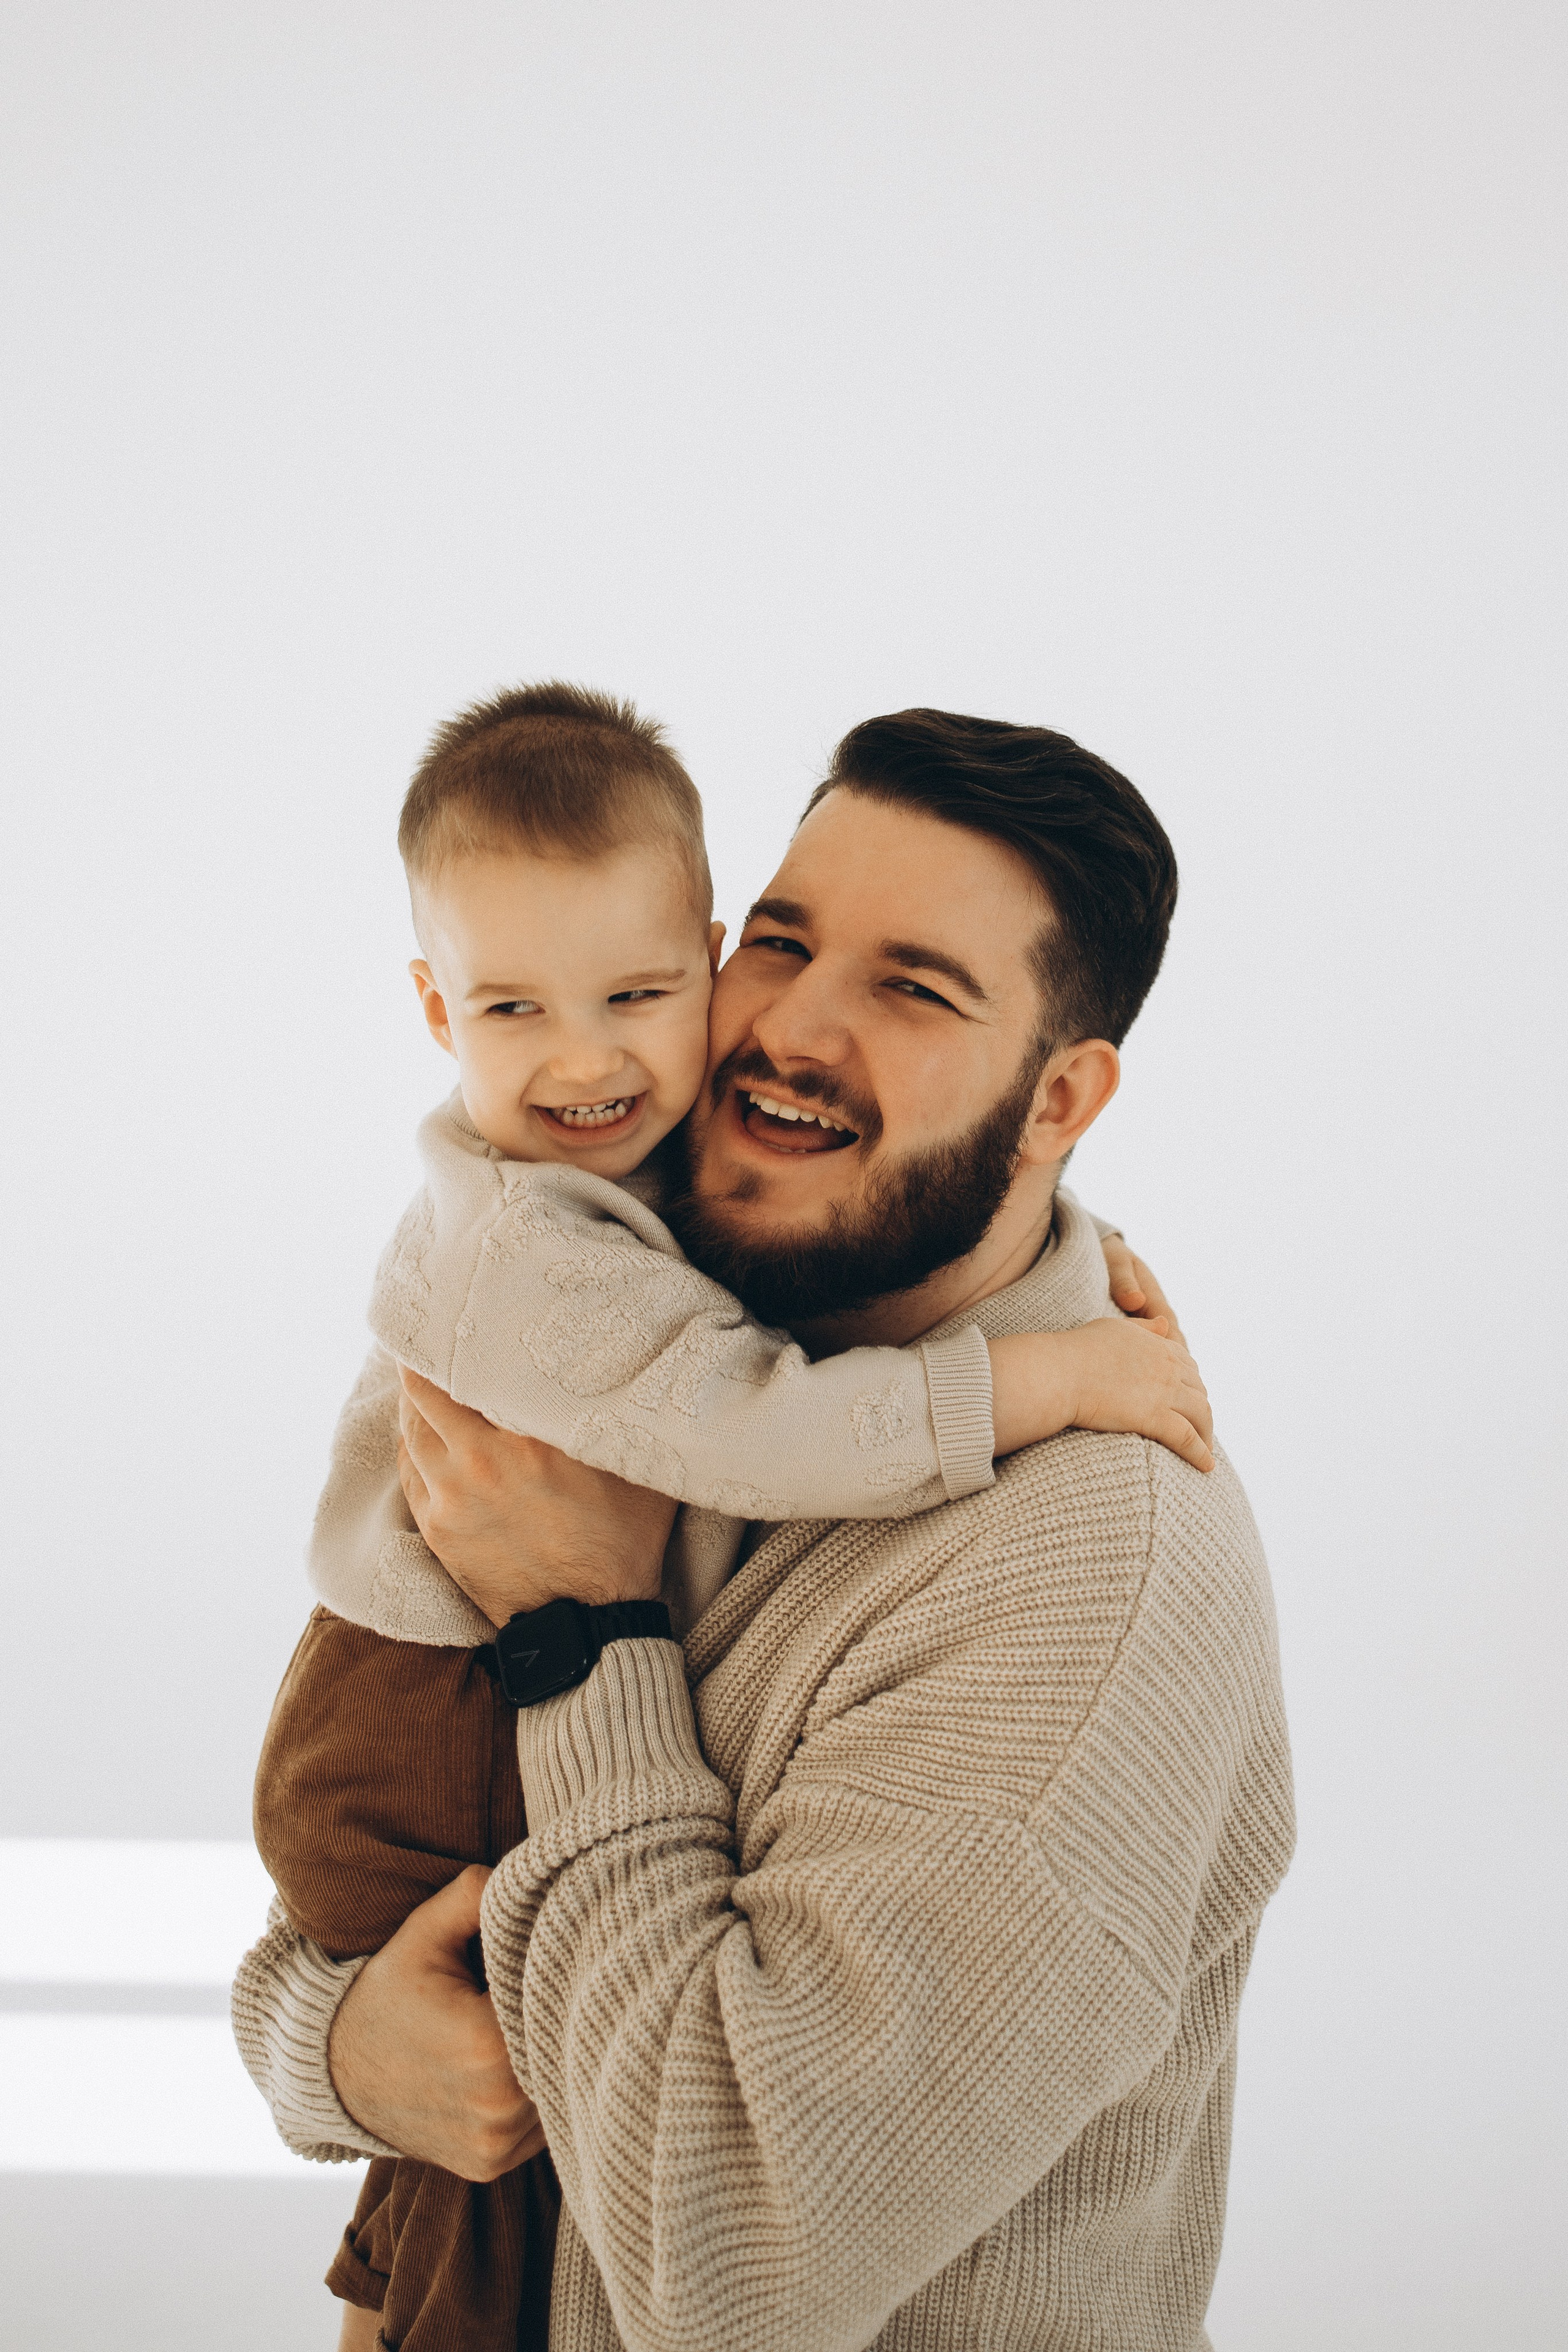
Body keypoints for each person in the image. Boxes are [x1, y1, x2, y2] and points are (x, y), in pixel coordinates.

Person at [237, 705, 1292, 2352]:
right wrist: (333, 2051)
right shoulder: (680, 1312)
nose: (787, 1028)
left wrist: (585, 1631)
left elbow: (727, 2275)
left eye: (912, 988)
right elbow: (391, 1882)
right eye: (781, 945)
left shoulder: (1085, 1583)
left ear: (1058, 1099)